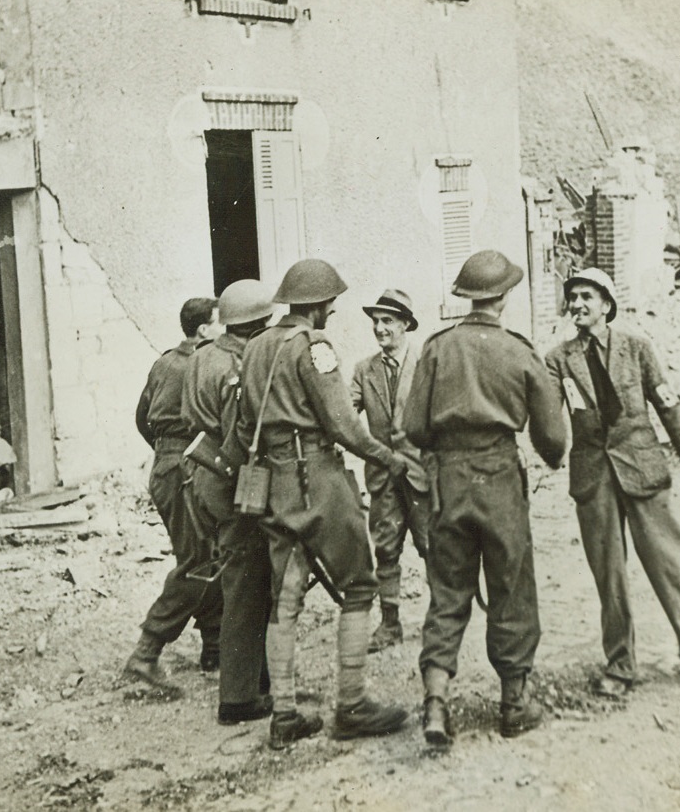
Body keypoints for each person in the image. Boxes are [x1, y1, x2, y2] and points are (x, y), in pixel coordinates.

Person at [236, 259, 410, 750]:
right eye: (330, 303)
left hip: (273, 482)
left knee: (285, 597)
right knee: (359, 584)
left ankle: (285, 713)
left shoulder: (255, 348)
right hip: (318, 480)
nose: (332, 311)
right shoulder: (316, 347)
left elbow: (244, 421)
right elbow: (342, 425)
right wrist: (388, 458)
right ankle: (352, 704)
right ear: (318, 305)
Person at [403, 250, 567, 746]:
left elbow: (412, 427)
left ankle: (435, 704)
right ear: (505, 296)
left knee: (448, 592)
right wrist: (550, 455)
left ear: (468, 296)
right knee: (511, 586)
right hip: (498, 479)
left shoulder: (436, 348)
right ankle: (513, 706)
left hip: (449, 482)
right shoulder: (519, 351)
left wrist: (445, 453)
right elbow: (553, 438)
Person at [544, 267, 680, 700]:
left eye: (588, 296)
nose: (579, 304)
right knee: (610, 576)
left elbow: (668, 405)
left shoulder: (637, 348)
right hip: (592, 477)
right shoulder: (558, 358)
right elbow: (546, 412)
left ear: (607, 304)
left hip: (642, 468)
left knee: (671, 564)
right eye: (574, 297)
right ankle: (620, 665)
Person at [181, 280, 278, 725]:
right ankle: (239, 697)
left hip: (204, 477)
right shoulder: (237, 367)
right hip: (230, 481)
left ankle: (255, 680)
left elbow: (189, 418)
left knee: (241, 580)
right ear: (255, 325)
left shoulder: (201, 356)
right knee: (245, 587)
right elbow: (240, 436)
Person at [123, 297, 223, 693]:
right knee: (201, 561)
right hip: (186, 467)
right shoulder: (201, 363)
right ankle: (145, 654)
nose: (225, 330)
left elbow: (141, 417)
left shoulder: (164, 361)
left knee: (209, 553)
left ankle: (215, 647)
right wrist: (181, 455)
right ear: (203, 330)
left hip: (171, 464)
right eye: (220, 323)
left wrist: (165, 451)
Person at [350, 289, 432, 652]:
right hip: (383, 475)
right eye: (376, 322)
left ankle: (440, 620)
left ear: (405, 325)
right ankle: (390, 623)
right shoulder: (363, 370)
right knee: (386, 549)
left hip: (422, 474)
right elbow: (344, 413)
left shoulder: (427, 364)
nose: (380, 328)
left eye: (388, 321)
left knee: (433, 547)